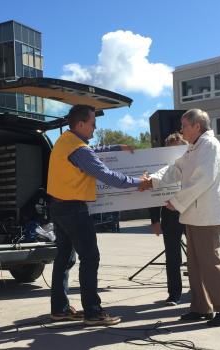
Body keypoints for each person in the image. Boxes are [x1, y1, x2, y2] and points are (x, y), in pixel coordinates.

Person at [47, 104, 149, 326]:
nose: (95, 128)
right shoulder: (79, 149)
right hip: (74, 209)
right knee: (90, 257)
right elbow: (106, 174)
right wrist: (139, 183)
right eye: (93, 123)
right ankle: (93, 312)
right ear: (81, 124)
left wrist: (116, 147)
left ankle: (60, 308)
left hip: (58, 207)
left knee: (64, 257)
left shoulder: (65, 141)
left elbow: (91, 152)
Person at [147, 108, 220, 327]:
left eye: (184, 126)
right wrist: (152, 179)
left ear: (197, 126)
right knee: (195, 265)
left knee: (210, 263)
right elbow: (175, 169)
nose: (181, 130)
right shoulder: (194, 148)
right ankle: (200, 307)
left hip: (206, 215)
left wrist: (176, 202)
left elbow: (202, 180)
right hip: (195, 215)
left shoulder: (210, 146)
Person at [148, 132, 187, 306]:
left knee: (196, 257)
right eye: (171, 150)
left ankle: (199, 292)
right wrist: (154, 220)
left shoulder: (192, 163)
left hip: (191, 215)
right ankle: (174, 294)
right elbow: (154, 193)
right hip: (170, 219)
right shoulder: (161, 167)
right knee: (172, 259)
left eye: (178, 149)